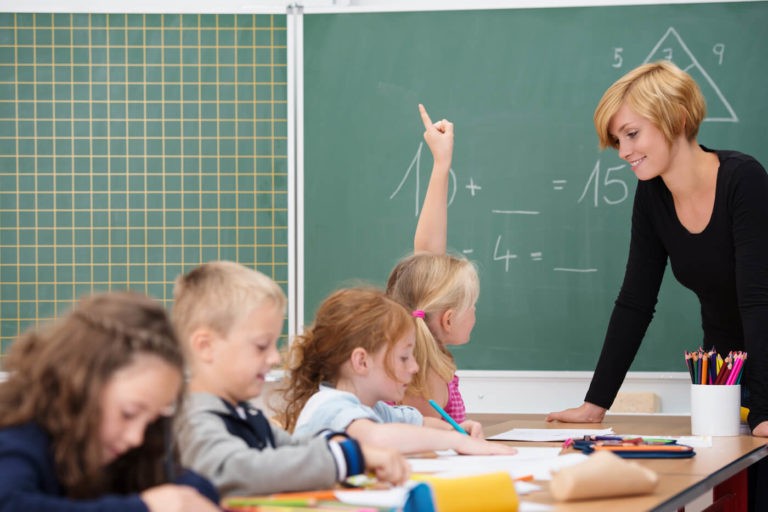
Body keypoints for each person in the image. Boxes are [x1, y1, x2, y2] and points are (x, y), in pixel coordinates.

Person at [545, 61, 768, 437]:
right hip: (727, 379)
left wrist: (764, 410)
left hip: (761, 383)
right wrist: (595, 404)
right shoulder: (652, 195)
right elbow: (635, 300)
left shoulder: (742, 180)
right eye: (618, 141)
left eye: (631, 134)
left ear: (677, 119)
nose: (623, 152)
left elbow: (758, 299)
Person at [172, 261, 410, 498]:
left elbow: (293, 448)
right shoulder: (195, 420)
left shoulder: (245, 415)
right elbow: (238, 470)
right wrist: (346, 457)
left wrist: (338, 445)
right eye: (261, 346)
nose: (275, 357)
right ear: (205, 347)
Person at [0, 291, 221, 512]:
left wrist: (188, 500)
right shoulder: (18, 434)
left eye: (152, 419)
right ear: (82, 384)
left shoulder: (110, 447)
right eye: (129, 413)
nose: (136, 438)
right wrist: (143, 508)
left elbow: (188, 486)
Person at [279, 286, 517, 456]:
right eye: (404, 357)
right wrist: (454, 441)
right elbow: (376, 438)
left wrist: (459, 430)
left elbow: (418, 424)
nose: (414, 367)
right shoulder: (329, 406)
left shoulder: (375, 408)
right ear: (361, 361)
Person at [385, 104, 479, 426]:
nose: (476, 314)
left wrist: (441, 163)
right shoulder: (427, 380)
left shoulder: (418, 360)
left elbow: (426, 254)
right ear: (448, 320)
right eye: (473, 306)